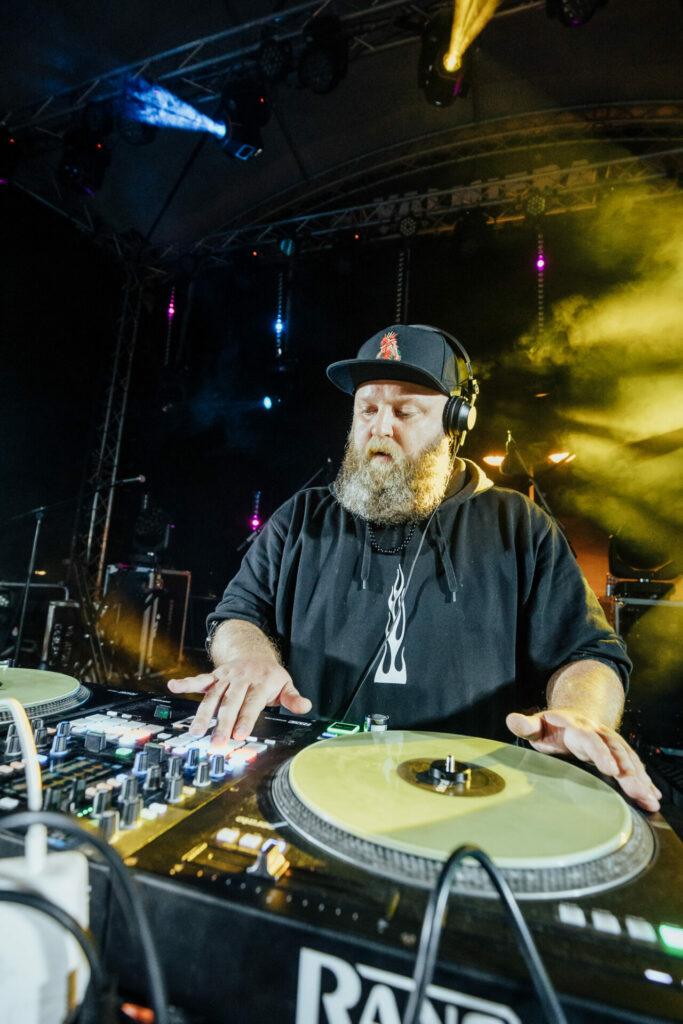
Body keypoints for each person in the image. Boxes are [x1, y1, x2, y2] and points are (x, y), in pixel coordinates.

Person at [168, 324, 660, 812]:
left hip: (463, 802)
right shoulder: (300, 518)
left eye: (404, 412)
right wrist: (248, 656)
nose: (380, 428)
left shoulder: (520, 525)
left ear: (455, 423)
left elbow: (588, 652)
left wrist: (580, 710)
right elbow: (237, 615)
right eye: (367, 410)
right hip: (305, 789)